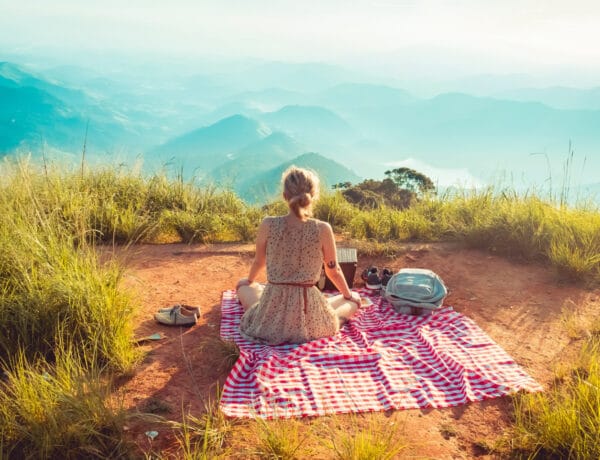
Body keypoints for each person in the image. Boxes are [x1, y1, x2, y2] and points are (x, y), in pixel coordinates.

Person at [236, 166, 361, 345]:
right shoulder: (322, 228)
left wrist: (249, 280)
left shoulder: (268, 224)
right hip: (308, 309)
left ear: (285, 196)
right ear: (313, 196)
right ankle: (347, 303)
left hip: (273, 306)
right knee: (351, 300)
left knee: (243, 287)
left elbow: (259, 262)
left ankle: (259, 302)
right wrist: (349, 295)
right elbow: (333, 271)